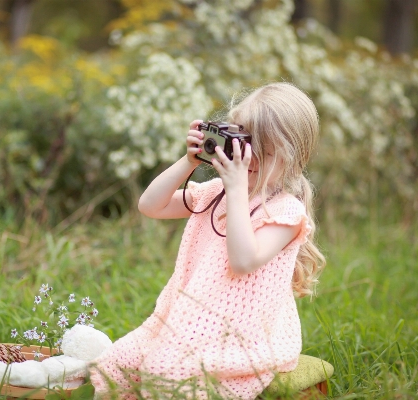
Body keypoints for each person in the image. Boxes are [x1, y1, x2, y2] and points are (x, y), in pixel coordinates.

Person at [90, 82, 326, 399]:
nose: (249, 156)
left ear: (293, 157)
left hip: (246, 337)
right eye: (243, 142)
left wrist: (236, 189)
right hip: (189, 323)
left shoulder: (286, 212)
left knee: (164, 374)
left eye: (264, 150)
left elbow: (243, 261)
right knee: (116, 363)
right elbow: (150, 206)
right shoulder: (217, 192)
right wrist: (189, 161)